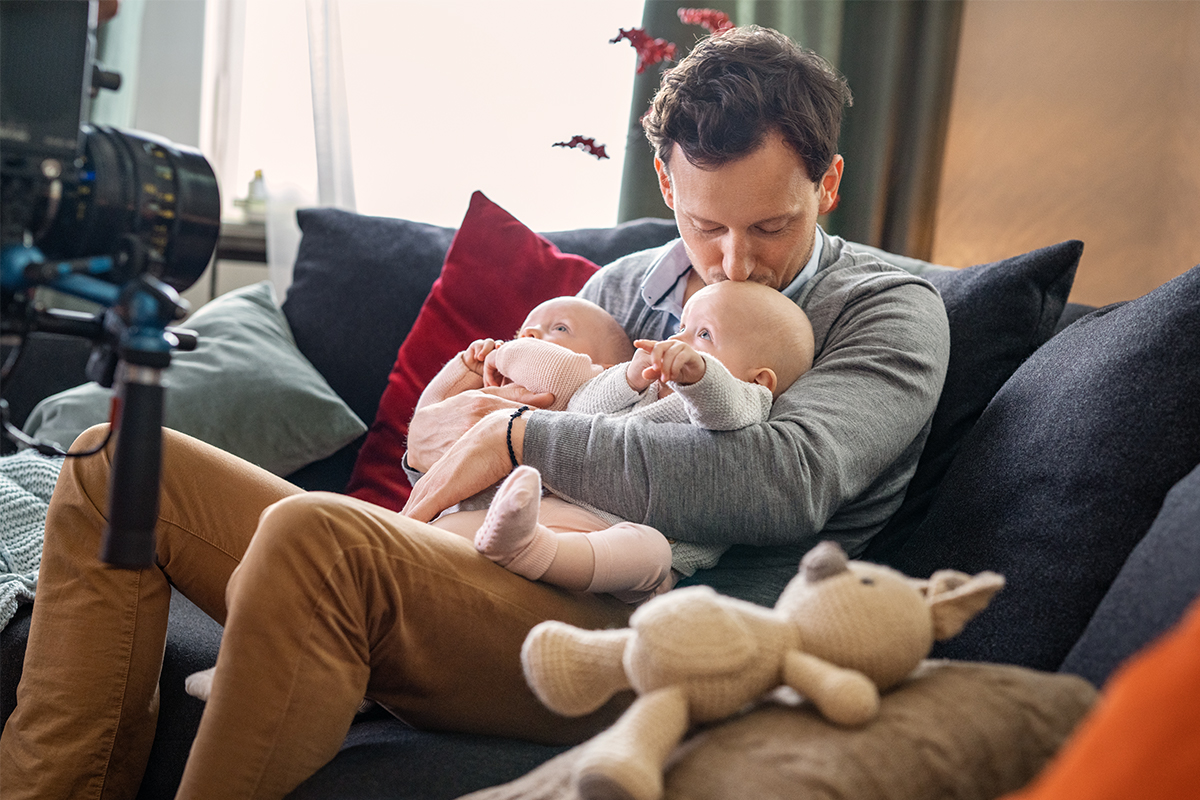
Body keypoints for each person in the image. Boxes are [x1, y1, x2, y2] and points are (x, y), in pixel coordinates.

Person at [0, 25, 949, 800]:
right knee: (110, 459)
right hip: (493, 564)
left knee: (320, 534)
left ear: (825, 186)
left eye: (772, 227)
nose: (734, 264)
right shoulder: (620, 288)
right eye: (706, 226)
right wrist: (456, 435)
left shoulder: (888, 311)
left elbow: (780, 483)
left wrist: (519, 435)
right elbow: (473, 450)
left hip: (655, 636)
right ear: (666, 185)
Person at [423, 283, 815, 601]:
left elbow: (726, 410)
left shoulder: (749, 400)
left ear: (759, 379)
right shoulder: (647, 389)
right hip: (561, 507)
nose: (678, 342)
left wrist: (700, 377)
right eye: (681, 327)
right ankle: (422, 532)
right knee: (448, 534)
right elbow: (582, 409)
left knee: (651, 553)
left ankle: (535, 552)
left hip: (625, 547)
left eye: (704, 335)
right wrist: (628, 379)